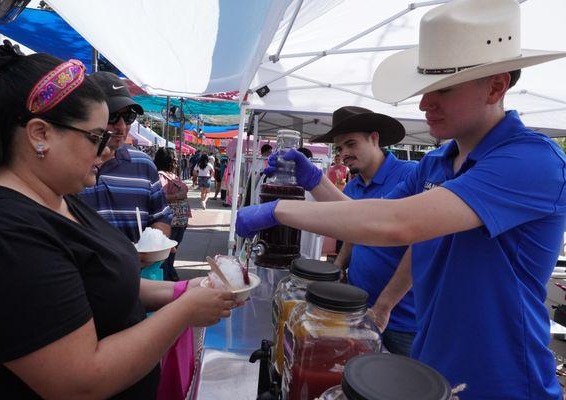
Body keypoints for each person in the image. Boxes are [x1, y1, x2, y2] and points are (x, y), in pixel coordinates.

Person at [235, 1, 566, 398]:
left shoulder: (531, 161)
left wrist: (278, 209)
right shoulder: (436, 163)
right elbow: (363, 216)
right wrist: (313, 180)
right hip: (432, 362)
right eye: (426, 89)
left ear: (496, 85)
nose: (425, 104)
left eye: (442, 89)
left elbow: (398, 224)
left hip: (504, 379)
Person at [0, 41, 235, 399]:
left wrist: (181, 290)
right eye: (96, 138)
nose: (108, 150)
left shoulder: (56, 198)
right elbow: (79, 381)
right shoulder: (0, 231)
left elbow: (100, 284)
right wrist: (185, 310)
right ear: (40, 135)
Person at [312, 106, 418, 356]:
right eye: (340, 148)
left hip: (406, 319)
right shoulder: (351, 189)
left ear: (374, 138)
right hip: (360, 310)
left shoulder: (411, 176)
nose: (345, 153)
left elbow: (424, 245)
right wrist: (337, 268)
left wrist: (384, 305)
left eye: (351, 144)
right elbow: (355, 233)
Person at [79, 71, 172, 252]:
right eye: (112, 116)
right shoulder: (67, 167)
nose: (121, 126)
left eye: (128, 116)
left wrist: (153, 244)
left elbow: (161, 217)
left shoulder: (143, 165)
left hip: (136, 276)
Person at [154, 148, 192, 281]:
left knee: (173, 249)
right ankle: (166, 276)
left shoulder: (171, 174)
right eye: (174, 158)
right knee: (168, 250)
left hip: (179, 220)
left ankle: (170, 271)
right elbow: (160, 196)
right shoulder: (161, 175)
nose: (177, 161)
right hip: (172, 220)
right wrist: (178, 195)